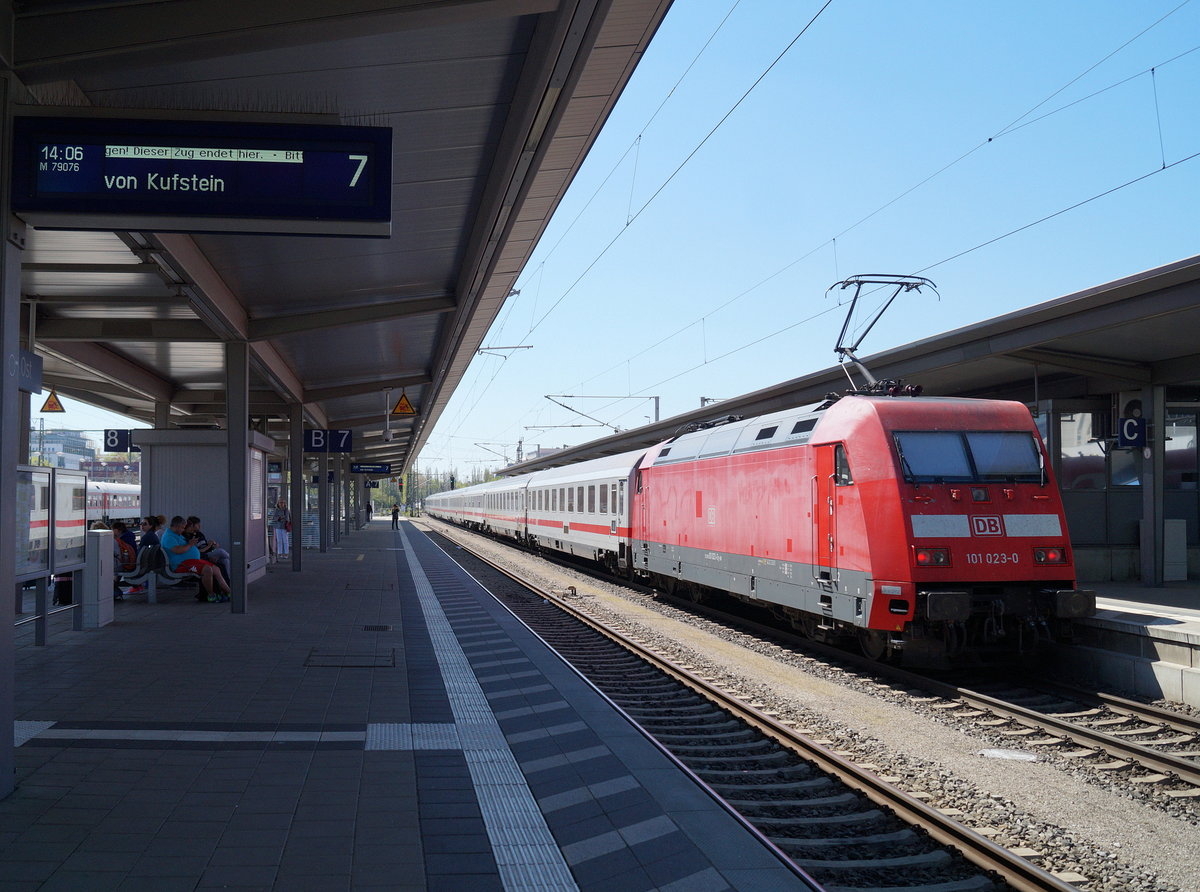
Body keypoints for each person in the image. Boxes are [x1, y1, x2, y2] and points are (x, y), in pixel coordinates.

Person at [161, 515, 230, 603]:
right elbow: (177, 550)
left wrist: (191, 544)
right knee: (207, 569)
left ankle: (229, 592)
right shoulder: (169, 537)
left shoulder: (177, 535)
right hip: (181, 564)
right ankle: (211, 595)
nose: (183, 530)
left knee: (216, 569)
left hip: (192, 561)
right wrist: (190, 544)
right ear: (177, 526)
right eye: (182, 528)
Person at [185, 516, 232, 587]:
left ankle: (228, 583)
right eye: (197, 524)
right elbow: (197, 551)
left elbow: (205, 546)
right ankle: (237, 562)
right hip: (202, 556)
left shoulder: (199, 534)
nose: (199, 526)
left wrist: (213, 546)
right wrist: (209, 546)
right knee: (221, 551)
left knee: (225, 561)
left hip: (208, 552)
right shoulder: (187, 537)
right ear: (192, 525)